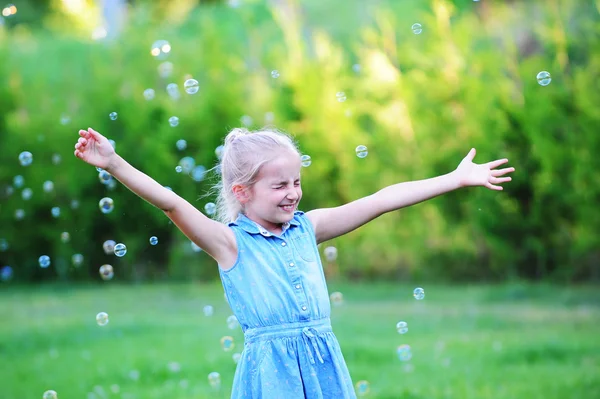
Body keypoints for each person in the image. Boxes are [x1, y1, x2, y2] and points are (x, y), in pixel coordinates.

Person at [74, 126, 514, 398]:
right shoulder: (228, 243)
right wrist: (113, 163)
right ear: (242, 192)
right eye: (280, 184)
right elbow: (170, 202)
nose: (293, 193)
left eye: (297, 181)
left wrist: (454, 179)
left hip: (323, 367)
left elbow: (380, 200)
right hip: (272, 377)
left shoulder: (309, 227)